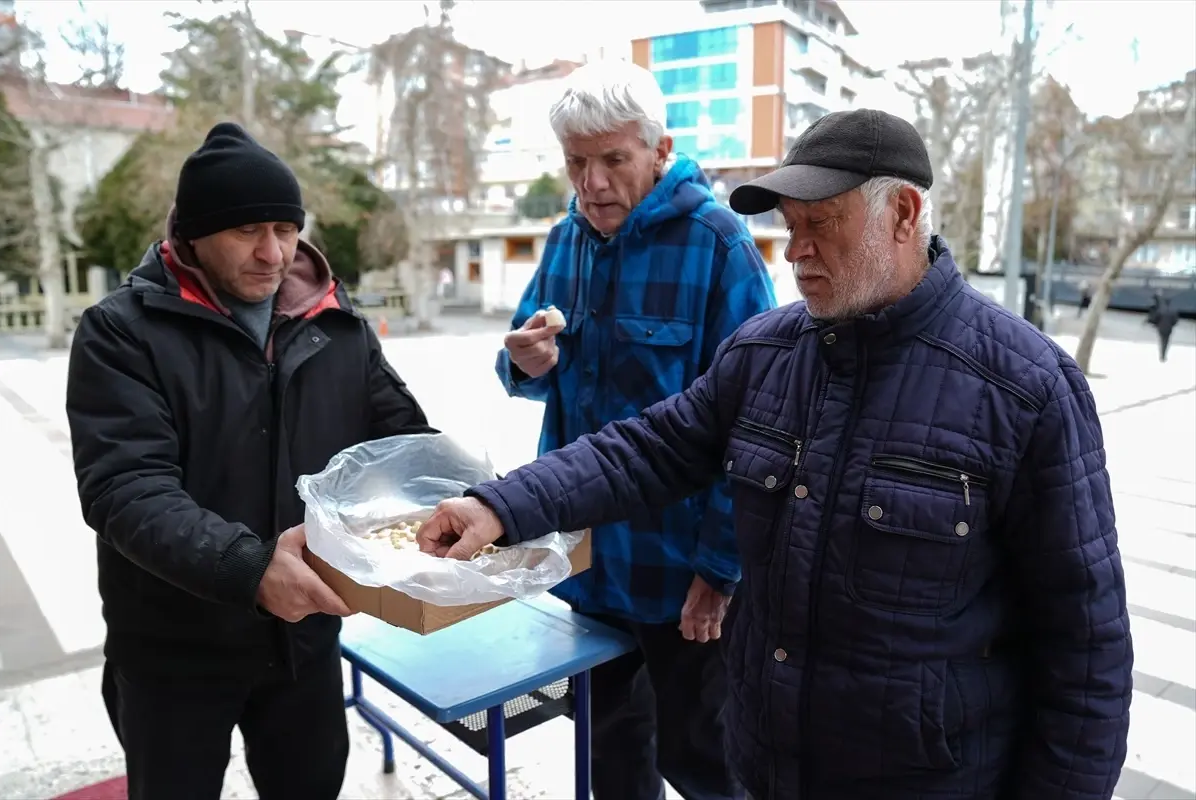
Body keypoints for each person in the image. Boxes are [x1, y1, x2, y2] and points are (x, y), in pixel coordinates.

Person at [419, 109, 1133, 799]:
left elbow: (1085, 650)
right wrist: (499, 504)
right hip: (764, 767)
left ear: (904, 215)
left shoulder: (1025, 387)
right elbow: (647, 449)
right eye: (790, 228)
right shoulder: (765, 354)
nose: (795, 252)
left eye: (820, 225)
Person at [66, 122, 434, 800]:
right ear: (192, 235)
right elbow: (124, 489)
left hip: (304, 642)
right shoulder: (121, 334)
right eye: (246, 231)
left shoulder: (331, 322)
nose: (273, 254)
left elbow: (404, 442)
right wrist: (249, 567)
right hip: (173, 648)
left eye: (286, 230)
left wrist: (481, 500)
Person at [495, 60, 774, 800]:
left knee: (703, 756)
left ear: (660, 149)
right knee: (608, 744)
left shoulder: (721, 248)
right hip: (583, 559)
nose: (591, 183)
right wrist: (523, 360)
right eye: (576, 163)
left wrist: (720, 571)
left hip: (678, 566)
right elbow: (530, 366)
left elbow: (758, 428)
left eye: (612, 160)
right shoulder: (565, 241)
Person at [1147, 292, 1179, 362]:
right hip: (1169, 328)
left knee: (1162, 340)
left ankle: (1162, 353)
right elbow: (1175, 321)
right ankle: (1163, 354)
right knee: (1166, 341)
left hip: (1161, 328)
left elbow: (1156, 318)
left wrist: (1155, 324)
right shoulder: (1173, 311)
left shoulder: (1161, 310)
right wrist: (1171, 324)